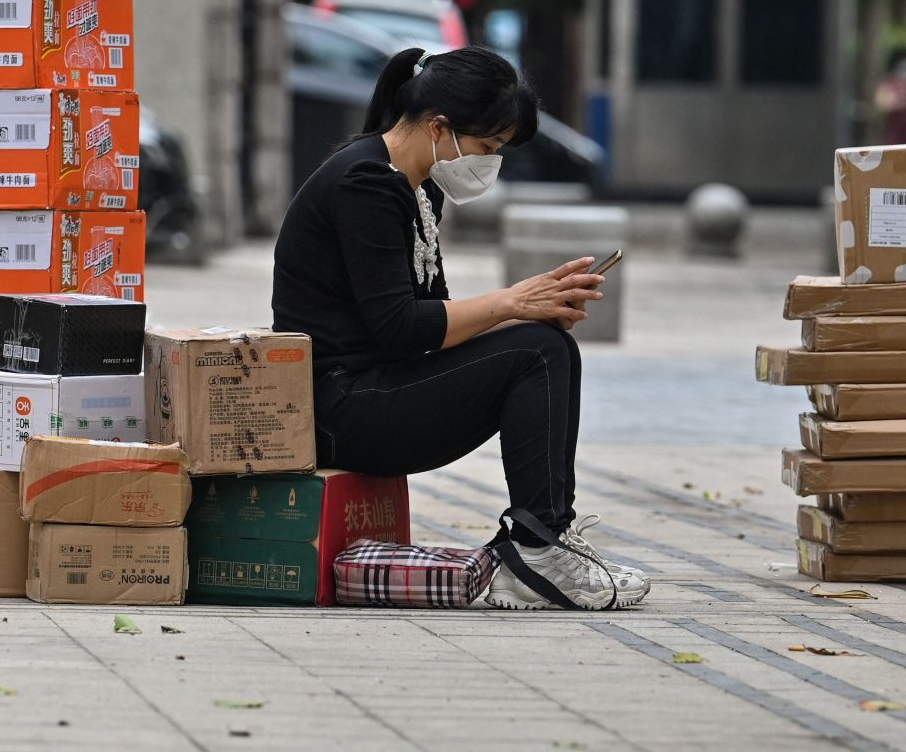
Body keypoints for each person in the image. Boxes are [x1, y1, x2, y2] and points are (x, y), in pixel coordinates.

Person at [271, 45, 649, 610]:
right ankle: (536, 551)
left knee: (546, 345)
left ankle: (546, 539)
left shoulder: (417, 187)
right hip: (339, 407)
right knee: (538, 350)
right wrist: (513, 303)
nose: (488, 163)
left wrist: (533, 306)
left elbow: (432, 321)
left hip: (381, 385)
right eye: (486, 147)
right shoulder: (365, 184)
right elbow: (401, 328)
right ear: (439, 126)